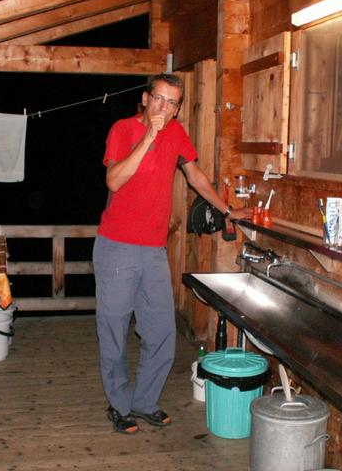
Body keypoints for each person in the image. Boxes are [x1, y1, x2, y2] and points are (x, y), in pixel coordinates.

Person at [93, 73, 251, 434]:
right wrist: (149, 137)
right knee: (114, 331)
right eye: (159, 99)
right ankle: (119, 405)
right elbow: (114, 180)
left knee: (162, 332)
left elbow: (195, 176)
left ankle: (144, 401)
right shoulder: (123, 129)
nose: (163, 108)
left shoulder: (177, 133)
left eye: (172, 103)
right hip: (116, 248)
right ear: (146, 99)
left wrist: (227, 211)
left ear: (178, 109)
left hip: (153, 251)